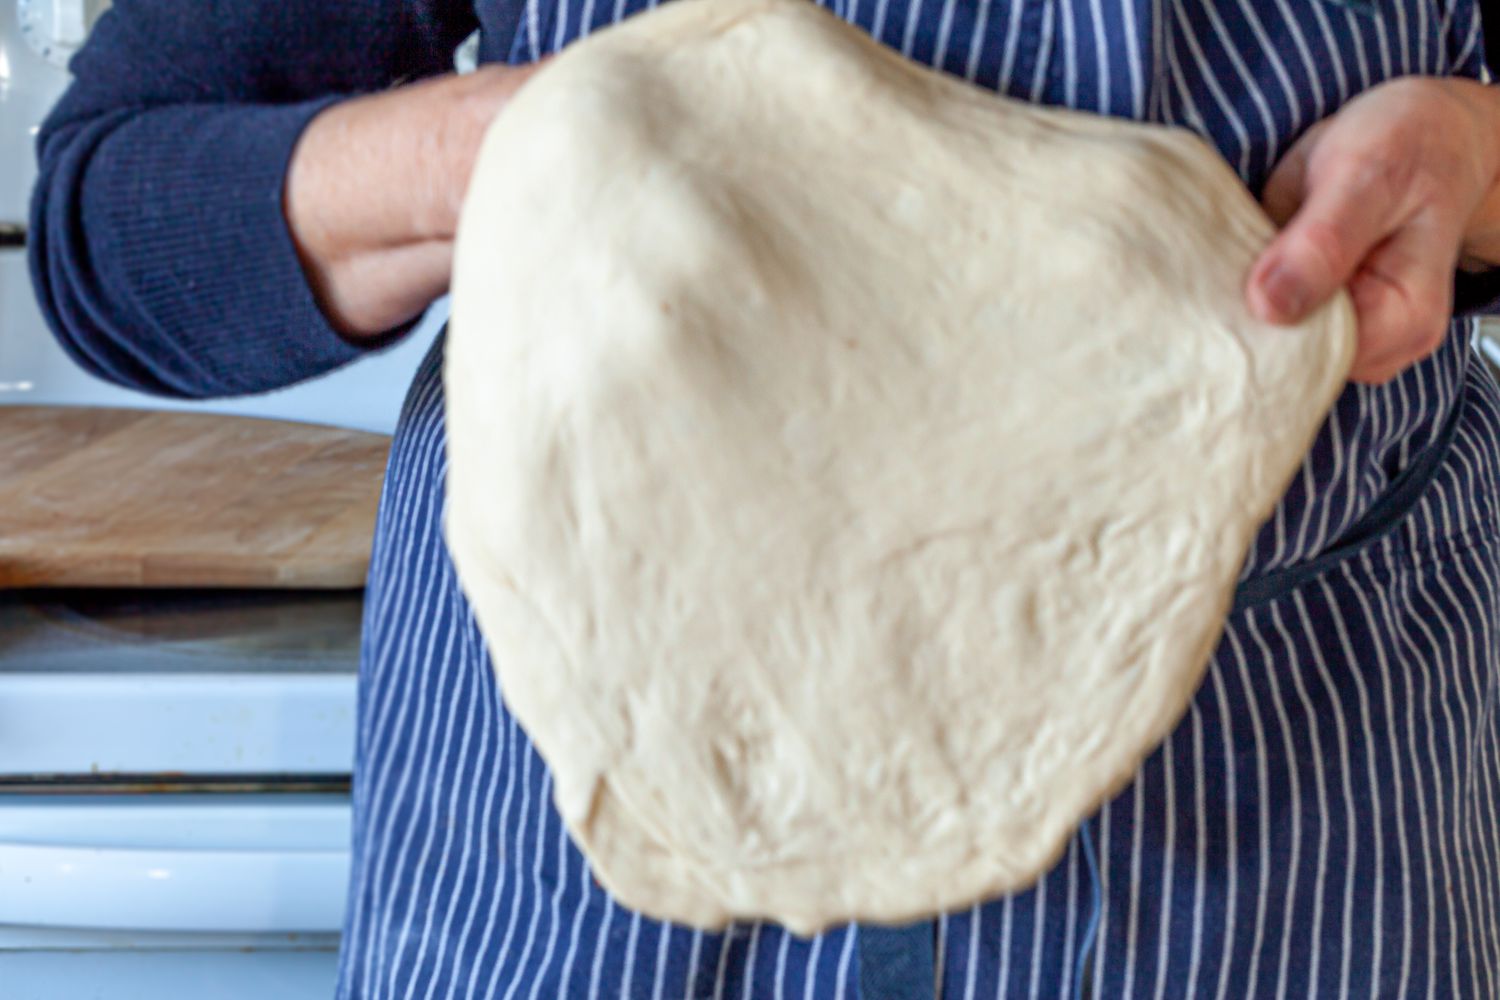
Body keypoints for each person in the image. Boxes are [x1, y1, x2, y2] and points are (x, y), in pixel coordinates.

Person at [27, 0, 1500, 995]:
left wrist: (1475, 162)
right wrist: (526, 154)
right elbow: (123, 215)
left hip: (1299, 796)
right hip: (583, 819)